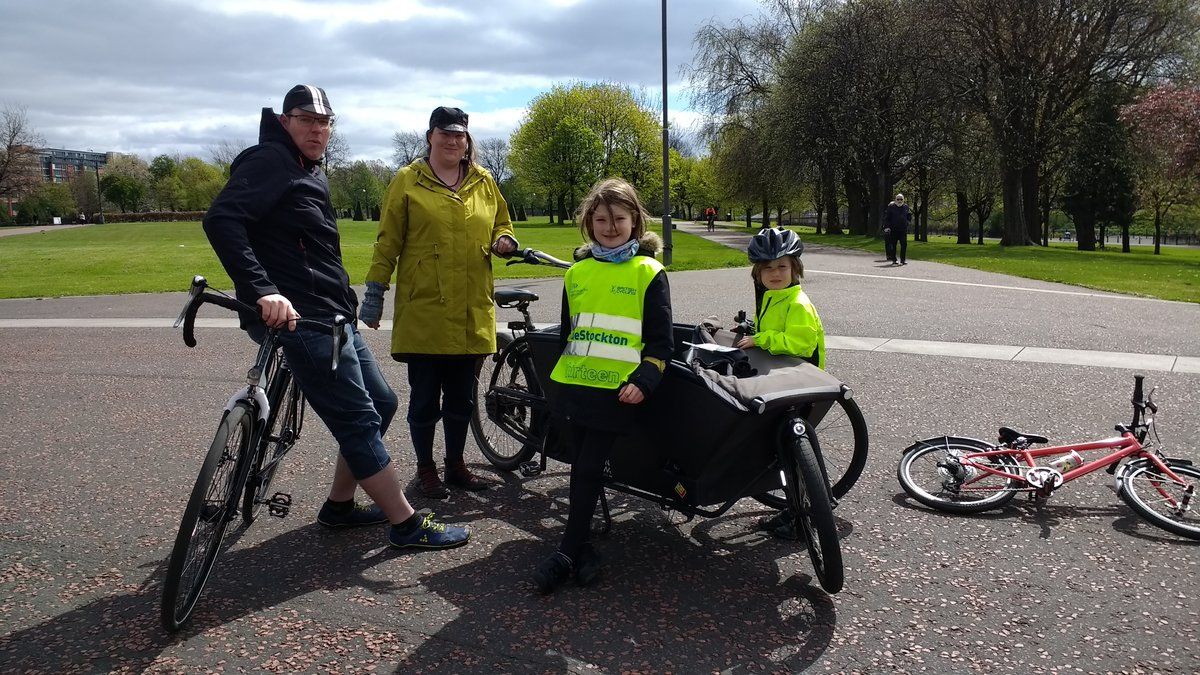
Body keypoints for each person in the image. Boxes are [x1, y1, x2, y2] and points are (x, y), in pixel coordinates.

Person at [202, 84, 468, 551]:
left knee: (382, 402)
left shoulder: (308, 169)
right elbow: (222, 220)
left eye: (325, 122)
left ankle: (340, 506)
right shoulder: (270, 161)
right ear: (285, 121)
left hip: (332, 314)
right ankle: (405, 525)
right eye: (307, 119)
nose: (318, 130)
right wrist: (264, 290)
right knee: (358, 419)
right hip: (301, 320)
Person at [361, 106, 518, 499]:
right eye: (444, 133)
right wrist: (375, 294)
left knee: (463, 399)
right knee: (425, 398)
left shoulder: (483, 180)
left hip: (470, 308)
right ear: (430, 136)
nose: (452, 140)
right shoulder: (407, 181)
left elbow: (502, 222)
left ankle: (456, 465)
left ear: (467, 140)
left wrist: (505, 240)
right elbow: (388, 241)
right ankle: (425, 468)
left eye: (459, 135)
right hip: (425, 310)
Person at [532, 178, 673, 594]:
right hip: (576, 386)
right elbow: (567, 335)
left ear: (635, 222)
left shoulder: (649, 271)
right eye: (600, 219)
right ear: (588, 224)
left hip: (620, 390)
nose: (610, 227)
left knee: (589, 467)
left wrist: (645, 381)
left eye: (619, 219)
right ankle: (584, 548)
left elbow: (661, 341)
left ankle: (566, 552)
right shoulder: (576, 272)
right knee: (583, 470)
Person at [735, 228, 826, 539]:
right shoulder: (775, 297)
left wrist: (762, 338)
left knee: (787, 449)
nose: (775, 273)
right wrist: (752, 328)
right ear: (758, 274)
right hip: (786, 379)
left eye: (782, 267)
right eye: (768, 268)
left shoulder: (797, 302)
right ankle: (801, 505)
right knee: (786, 448)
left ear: (795, 269)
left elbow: (800, 343)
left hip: (800, 381)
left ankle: (803, 511)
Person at [883, 193, 911, 265]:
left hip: (903, 230)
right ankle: (894, 260)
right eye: (898, 199)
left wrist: (907, 222)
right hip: (893, 230)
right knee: (893, 245)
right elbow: (887, 218)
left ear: (903, 200)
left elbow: (909, 216)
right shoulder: (891, 207)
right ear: (895, 200)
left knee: (904, 245)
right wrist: (887, 227)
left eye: (901, 199)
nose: (899, 201)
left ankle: (903, 260)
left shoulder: (906, 207)